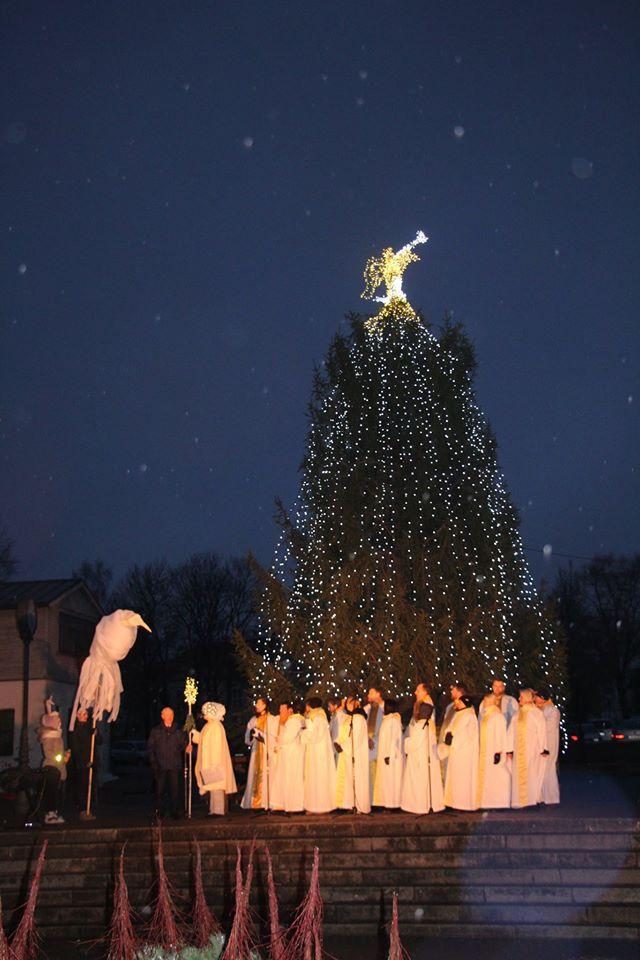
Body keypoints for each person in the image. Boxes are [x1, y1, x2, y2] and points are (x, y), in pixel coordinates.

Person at [401, 681, 444, 815]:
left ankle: (421, 804)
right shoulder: (420, 704)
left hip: (421, 747)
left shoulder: (426, 706)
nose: (415, 692)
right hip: (418, 744)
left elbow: (422, 728)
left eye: (418, 690)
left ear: (425, 692)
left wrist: (408, 742)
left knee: (421, 776)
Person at [191, 701, 237, 816]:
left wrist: (215, 762)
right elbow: (203, 740)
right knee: (212, 786)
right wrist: (194, 734)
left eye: (206, 712)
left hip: (215, 760)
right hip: (209, 760)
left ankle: (218, 810)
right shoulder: (209, 726)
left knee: (217, 786)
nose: (204, 715)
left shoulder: (216, 726)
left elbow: (216, 745)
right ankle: (213, 810)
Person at [510, 688, 549, 809]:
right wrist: (509, 748)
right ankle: (520, 801)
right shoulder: (517, 714)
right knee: (519, 774)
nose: (519, 699)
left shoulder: (536, 713)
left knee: (532, 773)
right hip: (519, 749)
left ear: (526, 699)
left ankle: (532, 800)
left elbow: (542, 731)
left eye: (521, 697)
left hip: (532, 748)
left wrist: (543, 747)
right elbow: (511, 732)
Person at [439, 695, 479, 811]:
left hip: (464, 752)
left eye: (460, 702)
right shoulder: (459, 714)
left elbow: (468, 735)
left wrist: (454, 737)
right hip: (456, 751)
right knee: (454, 777)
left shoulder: (470, 716)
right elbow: (451, 727)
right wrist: (448, 734)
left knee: (462, 778)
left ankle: (463, 804)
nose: (457, 704)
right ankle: (453, 802)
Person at [147, 706, 188, 820]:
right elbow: (151, 748)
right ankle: (160, 811)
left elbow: (183, 745)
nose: (169, 718)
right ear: (162, 716)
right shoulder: (156, 731)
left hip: (174, 765)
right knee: (160, 791)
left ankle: (174, 811)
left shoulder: (178, 731)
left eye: (171, 716)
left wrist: (187, 747)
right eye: (167, 715)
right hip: (160, 766)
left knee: (174, 790)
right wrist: (154, 763)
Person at [241, 696, 279, 811]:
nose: (256, 706)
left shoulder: (271, 719)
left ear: (265, 705)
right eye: (256, 703)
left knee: (267, 774)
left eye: (259, 703)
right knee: (255, 774)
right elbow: (247, 738)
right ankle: (254, 801)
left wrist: (264, 737)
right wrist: (252, 735)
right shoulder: (253, 720)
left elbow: (274, 736)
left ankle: (266, 801)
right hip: (256, 750)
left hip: (266, 749)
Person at [334, 693, 370, 813]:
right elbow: (344, 734)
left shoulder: (359, 718)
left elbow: (356, 738)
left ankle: (359, 806)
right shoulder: (348, 718)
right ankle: (349, 804)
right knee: (348, 780)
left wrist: (343, 746)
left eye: (349, 703)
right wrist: (338, 742)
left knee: (356, 779)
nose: (346, 705)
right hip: (346, 753)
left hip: (355, 754)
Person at [37, 698, 70, 825]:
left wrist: (64, 756)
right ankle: (49, 814)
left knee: (56, 792)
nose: (59, 722)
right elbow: (50, 753)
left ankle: (54, 813)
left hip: (58, 768)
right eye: (57, 720)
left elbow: (58, 753)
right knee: (51, 792)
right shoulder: (49, 737)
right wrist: (61, 758)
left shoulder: (57, 736)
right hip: (51, 769)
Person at [301, 697, 336, 813]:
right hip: (314, 751)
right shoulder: (315, 717)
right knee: (314, 779)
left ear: (310, 706)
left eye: (307, 705)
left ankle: (321, 806)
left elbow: (315, 735)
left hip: (318, 753)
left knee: (319, 778)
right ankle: (313, 805)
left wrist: (302, 733)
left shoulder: (318, 718)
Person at [477, 693, 511, 810]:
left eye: (486, 701)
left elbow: (500, 735)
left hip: (493, 752)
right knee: (488, 777)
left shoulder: (498, 716)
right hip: (486, 751)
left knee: (497, 777)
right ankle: (487, 802)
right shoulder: (487, 716)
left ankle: (499, 802)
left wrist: (498, 752)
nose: (484, 703)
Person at [271, 699, 305, 814]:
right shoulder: (299, 720)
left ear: (292, 710)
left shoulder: (294, 721)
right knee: (291, 779)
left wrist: (279, 739)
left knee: (292, 780)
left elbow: (287, 737)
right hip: (292, 752)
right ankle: (290, 805)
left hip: (291, 754)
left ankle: (294, 806)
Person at [68, 707, 101, 814]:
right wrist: (84, 761)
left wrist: (96, 734)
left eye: (86, 714)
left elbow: (100, 741)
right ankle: (83, 807)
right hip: (82, 764)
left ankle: (91, 806)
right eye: (83, 714)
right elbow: (76, 748)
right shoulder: (75, 730)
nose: (86, 716)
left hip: (92, 761)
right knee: (82, 785)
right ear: (77, 716)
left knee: (92, 784)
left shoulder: (90, 727)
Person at [372, 698, 403, 810]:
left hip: (390, 756)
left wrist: (390, 754)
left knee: (391, 780)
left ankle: (393, 804)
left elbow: (395, 739)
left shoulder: (393, 720)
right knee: (385, 780)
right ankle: (386, 803)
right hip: (385, 755)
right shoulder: (387, 720)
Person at [534, 688, 560, 805]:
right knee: (542, 770)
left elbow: (548, 728)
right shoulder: (541, 710)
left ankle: (551, 797)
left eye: (537, 698)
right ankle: (542, 797)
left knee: (548, 769)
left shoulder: (553, 711)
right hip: (541, 743)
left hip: (549, 743)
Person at [438, 681, 467, 781]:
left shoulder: (465, 708)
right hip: (445, 743)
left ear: (459, 691)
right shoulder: (450, 706)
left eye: (453, 689)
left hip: (456, 746)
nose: (451, 691)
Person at [364, 685, 385, 801]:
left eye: (371, 693)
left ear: (378, 694)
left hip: (380, 744)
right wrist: (368, 739)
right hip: (369, 744)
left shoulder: (386, 709)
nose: (368, 695)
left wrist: (374, 740)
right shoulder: (367, 709)